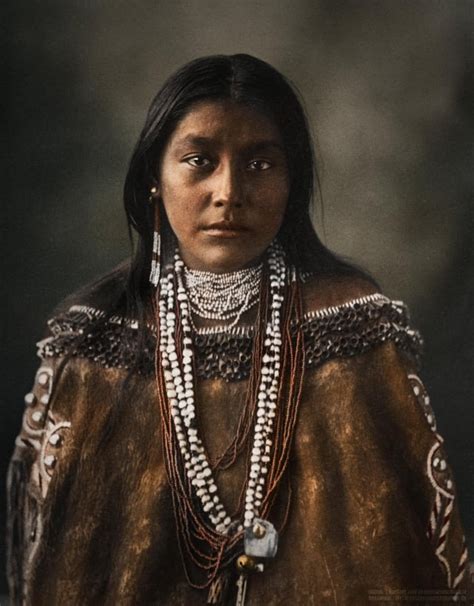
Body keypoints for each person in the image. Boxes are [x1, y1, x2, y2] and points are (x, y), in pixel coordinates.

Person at [7, 54, 470, 605]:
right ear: (154, 179)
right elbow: (41, 564)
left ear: (292, 182)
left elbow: (417, 556)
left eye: (260, 164)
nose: (230, 192)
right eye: (200, 160)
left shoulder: (356, 329)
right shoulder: (91, 345)